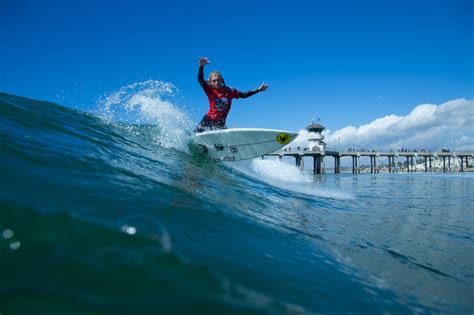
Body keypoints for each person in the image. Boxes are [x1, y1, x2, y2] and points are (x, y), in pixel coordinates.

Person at [194, 56, 268, 133]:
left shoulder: (229, 91)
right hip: (208, 119)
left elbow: (243, 95)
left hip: (220, 123)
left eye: (218, 80)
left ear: (221, 80)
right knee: (195, 135)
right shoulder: (210, 90)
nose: (216, 82)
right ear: (210, 82)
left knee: (220, 143)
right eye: (214, 81)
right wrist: (201, 66)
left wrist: (258, 90)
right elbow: (200, 80)